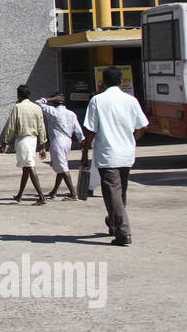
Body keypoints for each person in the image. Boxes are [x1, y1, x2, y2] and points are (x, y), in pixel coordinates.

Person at [80, 67, 149, 246]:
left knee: (112, 193)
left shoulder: (97, 100)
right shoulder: (130, 100)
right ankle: (113, 222)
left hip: (107, 154)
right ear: (121, 82)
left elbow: (91, 131)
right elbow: (142, 126)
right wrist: (132, 140)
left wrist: (85, 151)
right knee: (120, 192)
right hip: (126, 154)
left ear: (102, 82)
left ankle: (123, 232)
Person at [0, 84, 48, 204]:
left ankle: (41, 197)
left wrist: (5, 142)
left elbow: (11, 127)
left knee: (30, 166)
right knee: (26, 168)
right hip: (33, 140)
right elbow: (41, 127)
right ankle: (20, 195)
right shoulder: (36, 108)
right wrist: (43, 145)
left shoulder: (18, 107)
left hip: (23, 140)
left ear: (19, 95)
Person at [37, 93, 84, 199]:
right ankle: (54, 191)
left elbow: (38, 103)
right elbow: (78, 131)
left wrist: (50, 98)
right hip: (68, 141)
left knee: (62, 167)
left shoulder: (53, 111)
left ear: (55, 102)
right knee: (61, 165)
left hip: (58, 141)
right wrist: (82, 142)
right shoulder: (71, 114)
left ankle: (73, 193)